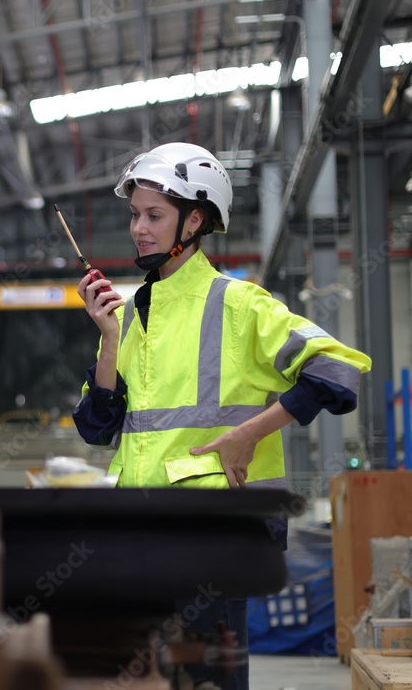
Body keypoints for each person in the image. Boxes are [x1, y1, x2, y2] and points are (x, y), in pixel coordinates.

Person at [71, 142, 372, 689]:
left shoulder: (238, 304)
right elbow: (98, 428)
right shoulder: (132, 315)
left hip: (211, 537)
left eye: (154, 215)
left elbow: (339, 368)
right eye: (135, 214)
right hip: (140, 536)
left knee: (204, 682)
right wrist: (109, 343)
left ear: (196, 218)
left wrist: (251, 433)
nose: (139, 227)